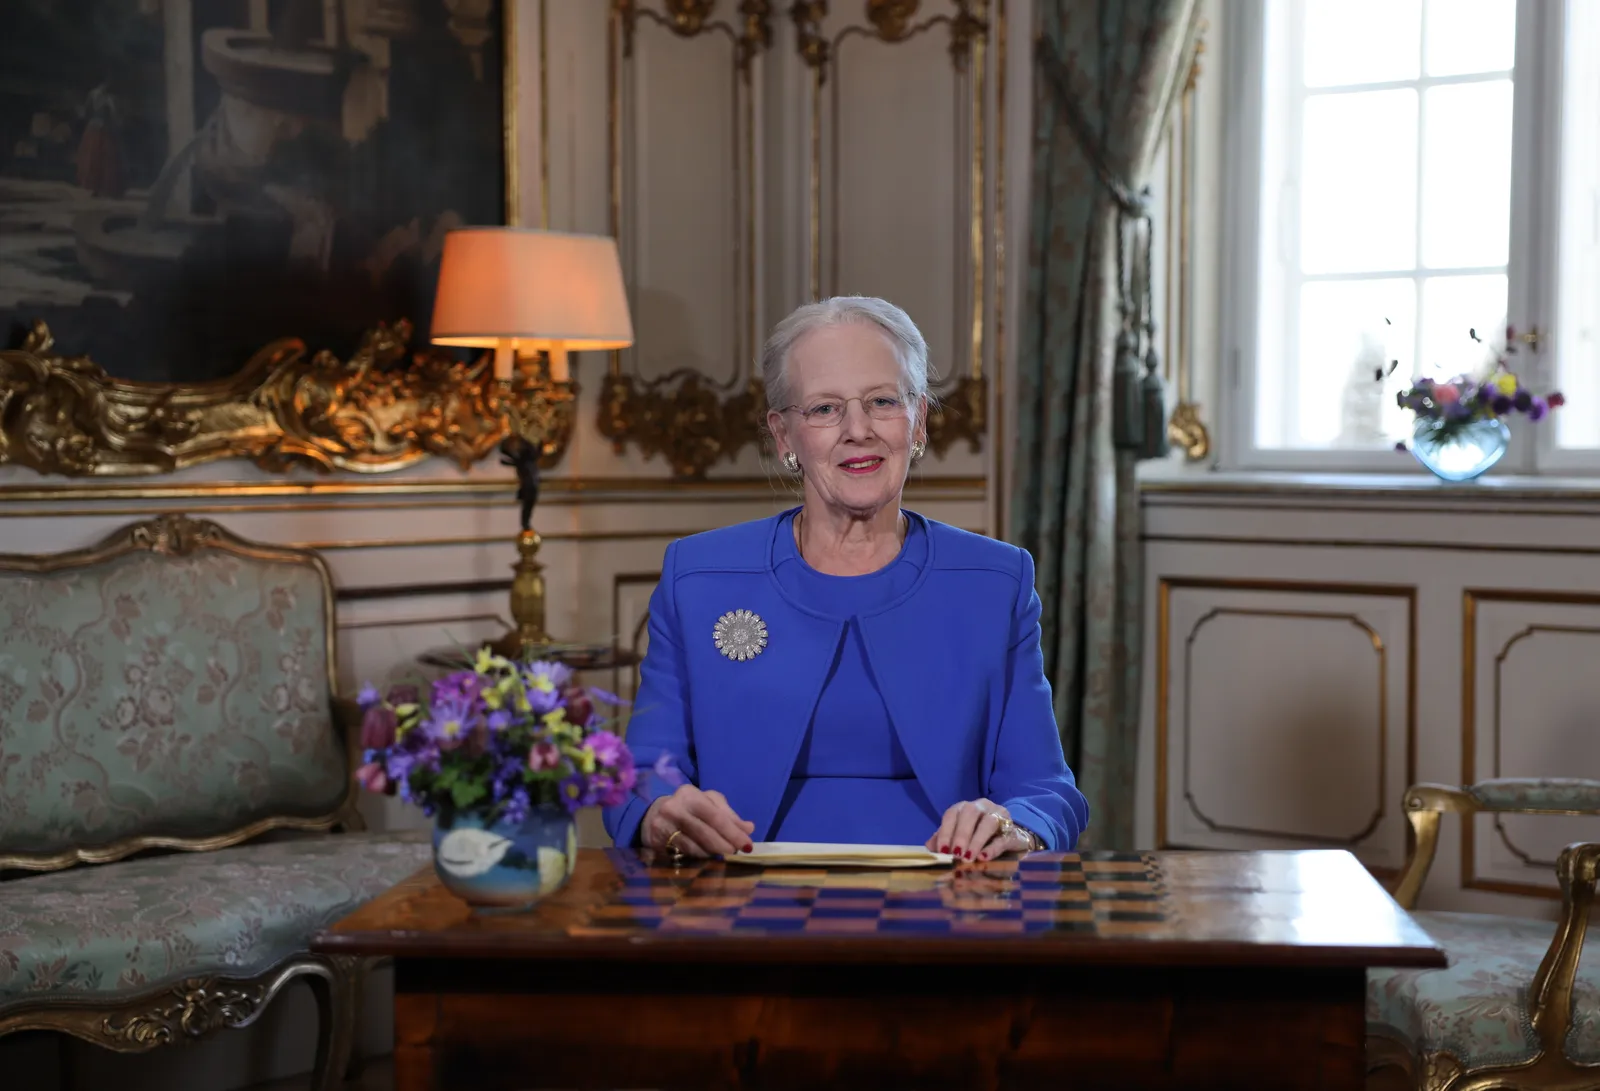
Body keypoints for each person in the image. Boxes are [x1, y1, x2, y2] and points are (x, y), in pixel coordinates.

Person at [602, 297, 1088, 861]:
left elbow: (1048, 791)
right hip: (740, 902)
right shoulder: (699, 578)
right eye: (825, 410)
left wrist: (1012, 823)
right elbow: (638, 777)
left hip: (947, 902)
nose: (858, 430)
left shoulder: (995, 582)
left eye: (883, 401)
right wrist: (662, 812)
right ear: (784, 436)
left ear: (919, 421)